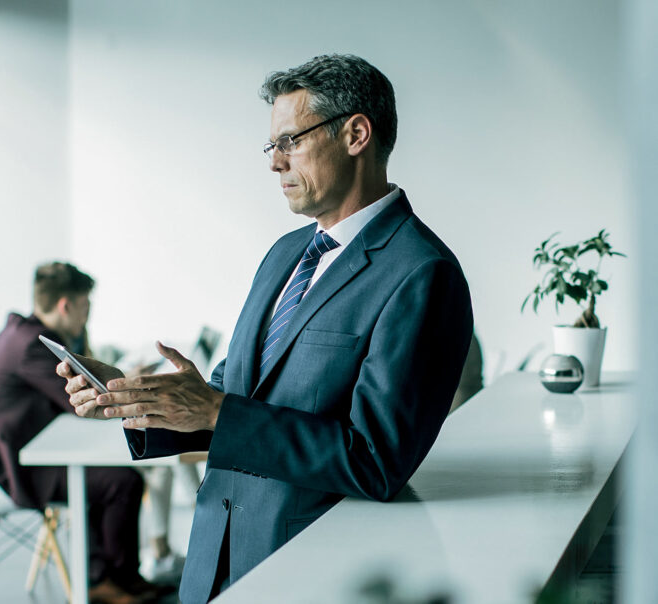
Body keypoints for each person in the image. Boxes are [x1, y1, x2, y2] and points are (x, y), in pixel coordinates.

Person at [59, 54, 474, 603]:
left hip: (306, 571)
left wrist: (215, 410)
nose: (275, 163)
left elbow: (375, 462)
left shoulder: (422, 274)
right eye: (271, 146)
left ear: (356, 134)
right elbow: (234, 397)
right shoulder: (285, 253)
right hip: (213, 559)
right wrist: (138, 397)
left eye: (290, 142)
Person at [0, 261, 169, 604]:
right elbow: (79, 402)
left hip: (8, 450)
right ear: (65, 306)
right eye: (85, 306)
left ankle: (117, 578)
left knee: (107, 476)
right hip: (6, 465)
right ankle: (107, 581)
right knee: (122, 482)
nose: (88, 315)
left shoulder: (25, 333)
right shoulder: (32, 345)